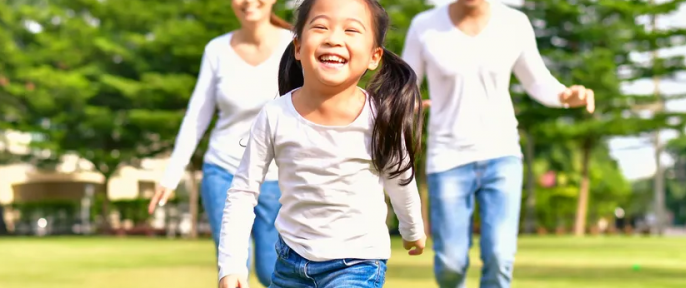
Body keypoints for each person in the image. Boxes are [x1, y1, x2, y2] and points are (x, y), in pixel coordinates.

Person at [217, 0, 429, 287]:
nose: (333, 38)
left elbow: (399, 178)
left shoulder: (380, 118)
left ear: (374, 56)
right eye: (320, 27)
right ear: (298, 48)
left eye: (351, 30)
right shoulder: (275, 115)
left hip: (358, 263)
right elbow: (243, 191)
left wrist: (412, 227)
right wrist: (231, 265)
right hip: (290, 262)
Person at [400, 0, 595, 287]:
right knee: (451, 263)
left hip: (501, 155)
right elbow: (406, 85)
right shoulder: (424, 26)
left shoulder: (514, 23)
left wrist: (565, 96)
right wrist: (405, 105)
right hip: (447, 157)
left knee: (500, 257)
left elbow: (537, 81)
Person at [146, 0, 293, 286]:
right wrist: (171, 174)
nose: (249, 2)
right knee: (233, 268)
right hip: (223, 170)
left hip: (276, 176)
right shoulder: (216, 50)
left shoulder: (294, 45)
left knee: (270, 269)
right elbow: (197, 116)